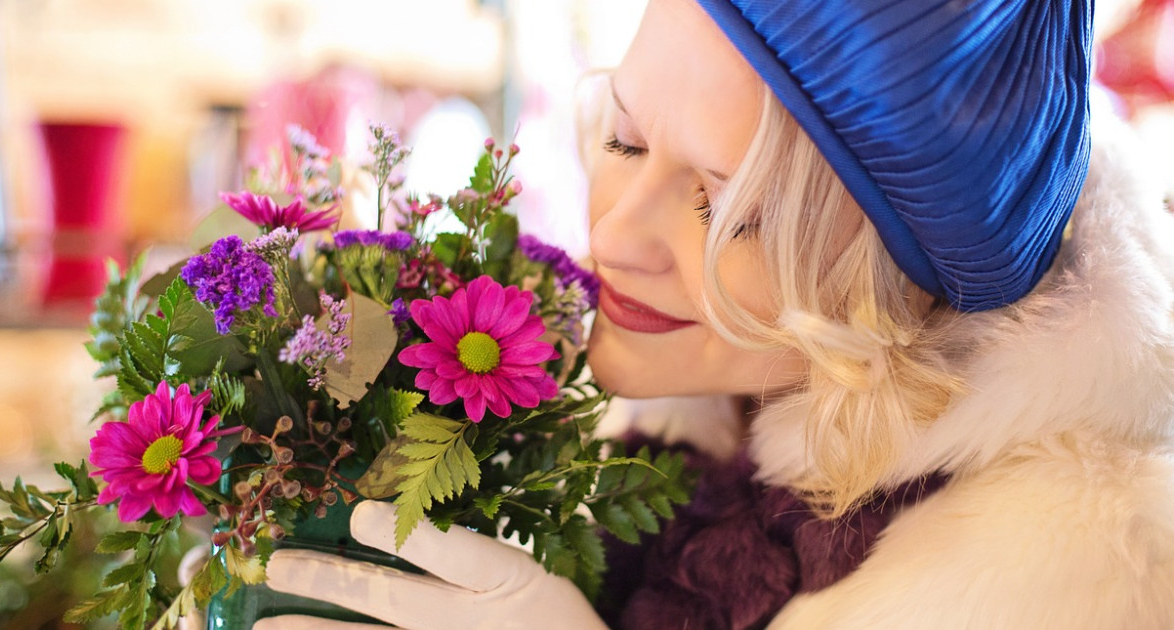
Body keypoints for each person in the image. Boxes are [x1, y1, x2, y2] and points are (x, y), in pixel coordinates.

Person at [253, 0, 1174, 628]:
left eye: (732, 212)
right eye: (622, 138)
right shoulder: (687, 412)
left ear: (900, 281)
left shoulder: (1083, 575)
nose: (614, 235)